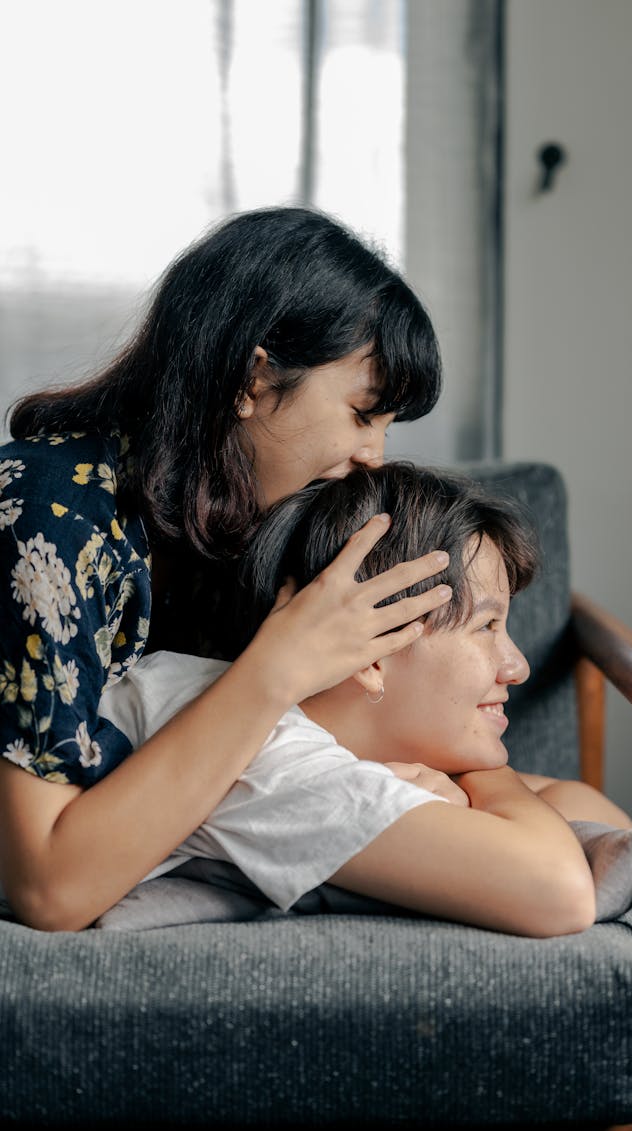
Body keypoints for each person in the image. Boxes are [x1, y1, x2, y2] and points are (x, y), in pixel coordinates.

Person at [0, 207, 453, 932]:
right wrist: (278, 667)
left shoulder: (238, 530)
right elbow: (49, 887)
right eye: (363, 413)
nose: (375, 453)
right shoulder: (52, 517)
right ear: (254, 375)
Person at [97, 463, 632, 938]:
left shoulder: (278, 719)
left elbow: (599, 819)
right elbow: (561, 893)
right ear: (372, 652)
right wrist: (485, 776)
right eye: (487, 626)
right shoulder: (273, 758)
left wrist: (464, 785)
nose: (517, 666)